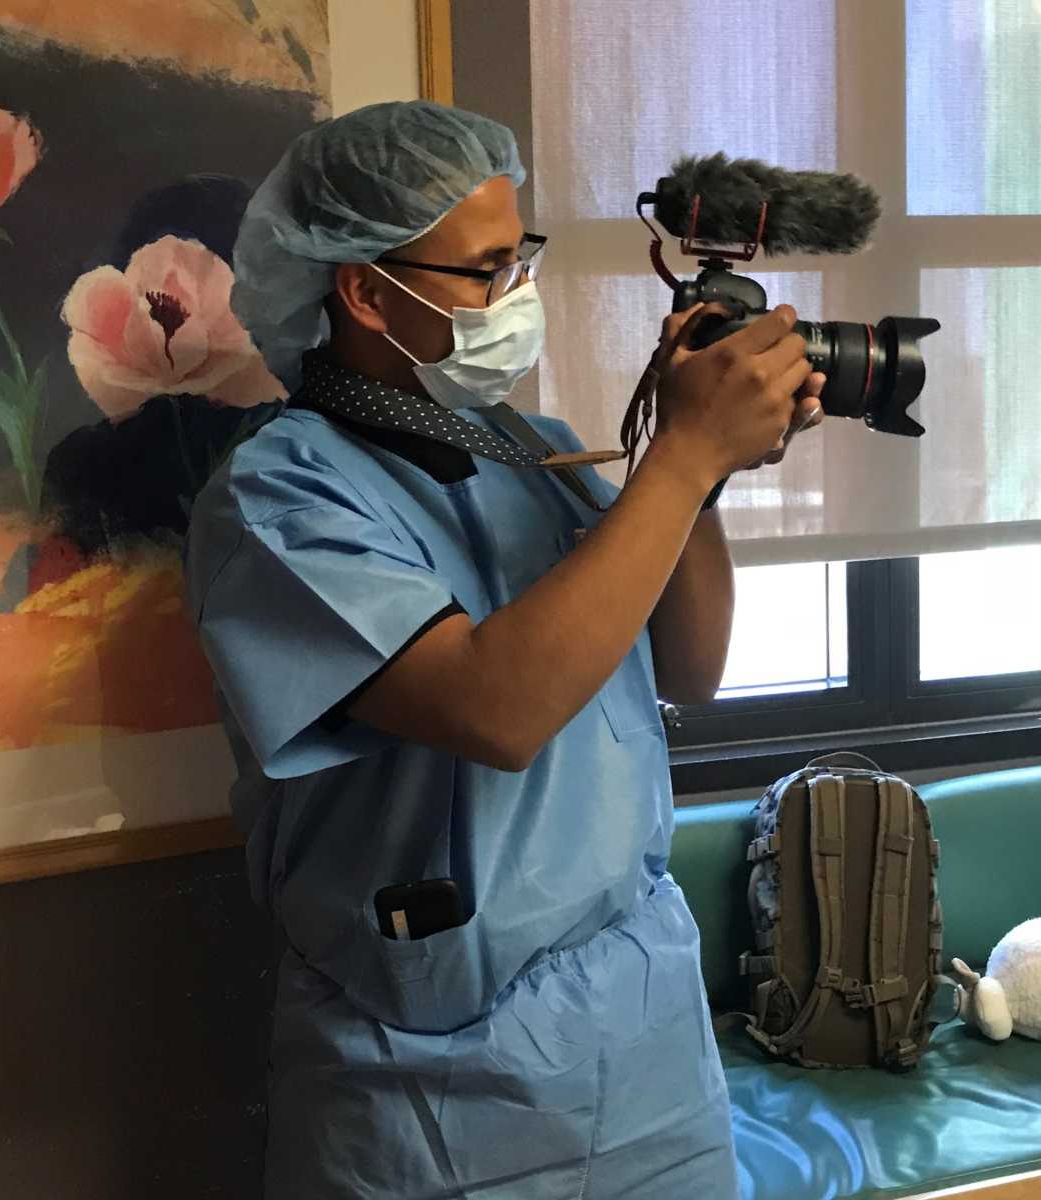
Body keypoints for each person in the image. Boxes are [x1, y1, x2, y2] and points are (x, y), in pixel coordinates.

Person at [186, 101, 823, 1199]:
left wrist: (698, 478)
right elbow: (494, 709)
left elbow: (689, 667)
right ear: (365, 289)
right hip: (426, 1078)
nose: (515, 293)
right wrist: (675, 460)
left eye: (519, 256)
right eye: (485, 270)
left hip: (639, 1043)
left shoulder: (525, 450)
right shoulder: (276, 496)